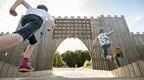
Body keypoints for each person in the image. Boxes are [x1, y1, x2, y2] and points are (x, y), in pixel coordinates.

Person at [0, 0, 55, 72]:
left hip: (25, 20)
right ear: (45, 10)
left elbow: (21, 0)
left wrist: (13, 8)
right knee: (21, 35)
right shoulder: (47, 13)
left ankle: (24, 63)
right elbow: (52, 23)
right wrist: (49, 28)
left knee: (33, 42)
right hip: (36, 20)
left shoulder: (31, 8)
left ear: (38, 8)